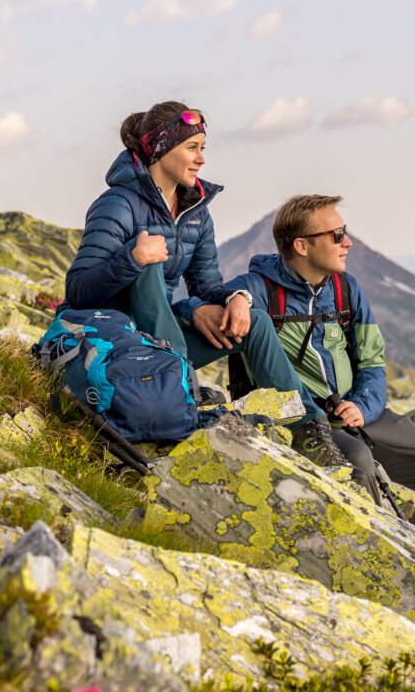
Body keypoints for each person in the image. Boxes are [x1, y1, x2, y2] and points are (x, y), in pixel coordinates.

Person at [63, 101, 346, 463]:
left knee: (254, 322)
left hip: (160, 342)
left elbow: (208, 286)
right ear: (161, 150)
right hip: (109, 344)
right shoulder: (118, 205)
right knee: (148, 263)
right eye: (192, 148)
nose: (201, 159)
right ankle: (181, 386)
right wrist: (133, 258)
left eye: (202, 148)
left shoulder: (196, 211)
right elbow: (78, 293)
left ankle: (307, 430)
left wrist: (238, 298)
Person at [243, 193, 415, 542]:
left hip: (361, 413)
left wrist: (362, 406)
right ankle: (373, 557)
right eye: (337, 235)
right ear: (302, 246)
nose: (348, 242)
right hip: (308, 423)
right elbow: (218, 296)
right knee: (359, 461)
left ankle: (414, 561)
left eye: (345, 231)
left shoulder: (346, 289)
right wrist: (236, 300)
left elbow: (372, 362)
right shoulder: (260, 288)